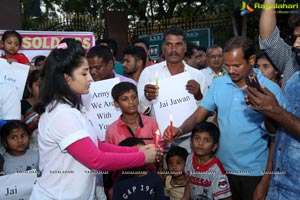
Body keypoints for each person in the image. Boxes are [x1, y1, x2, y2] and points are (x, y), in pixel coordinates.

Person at [30, 39, 158, 199]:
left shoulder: (72, 108)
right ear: (66, 78)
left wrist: (136, 150)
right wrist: (141, 157)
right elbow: (96, 160)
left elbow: (98, 146)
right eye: (84, 73)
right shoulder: (61, 114)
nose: (90, 78)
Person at [164, 36, 283, 200]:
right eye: (227, 66)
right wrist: (179, 130)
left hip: (254, 173)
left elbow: (277, 143)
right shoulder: (219, 84)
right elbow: (199, 116)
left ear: (251, 60)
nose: (231, 70)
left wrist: (265, 181)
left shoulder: (271, 91)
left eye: (236, 65)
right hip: (219, 169)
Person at [137, 25, 207, 116]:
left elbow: (204, 111)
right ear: (163, 48)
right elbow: (140, 111)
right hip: (158, 129)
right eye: (169, 44)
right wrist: (147, 98)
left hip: (189, 130)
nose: (173, 50)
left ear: (185, 48)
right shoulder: (149, 73)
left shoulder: (198, 75)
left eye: (178, 44)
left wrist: (198, 96)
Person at [183, 122, 231, 200]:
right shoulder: (189, 158)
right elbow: (189, 182)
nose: (200, 143)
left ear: (214, 147)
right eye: (197, 138)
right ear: (191, 142)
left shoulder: (217, 171)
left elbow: (226, 198)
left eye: (206, 140)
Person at [259, 0, 300, 90]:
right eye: (296, 37)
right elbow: (269, 40)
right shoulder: (292, 61)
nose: (296, 44)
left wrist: (273, 104)